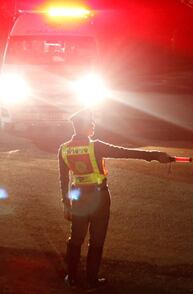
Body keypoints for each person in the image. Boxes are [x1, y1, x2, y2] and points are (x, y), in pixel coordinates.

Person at [58, 108, 174, 290]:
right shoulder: (95, 146)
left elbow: (64, 179)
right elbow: (126, 152)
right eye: (91, 123)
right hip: (100, 198)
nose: (93, 126)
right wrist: (155, 155)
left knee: (76, 239)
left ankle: (71, 278)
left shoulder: (64, 150)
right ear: (84, 126)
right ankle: (91, 280)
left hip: (79, 199)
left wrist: (66, 204)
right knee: (96, 240)